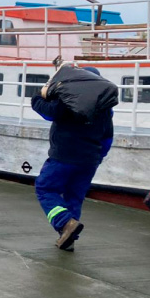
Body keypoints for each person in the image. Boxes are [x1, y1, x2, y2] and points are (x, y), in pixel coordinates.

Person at [30, 65, 114, 252]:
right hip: (89, 160)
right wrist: (98, 157)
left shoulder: (69, 99)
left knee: (45, 188)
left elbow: (47, 112)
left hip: (64, 156)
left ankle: (65, 223)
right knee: (74, 197)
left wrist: (36, 97)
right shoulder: (105, 108)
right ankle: (68, 238)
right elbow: (107, 137)